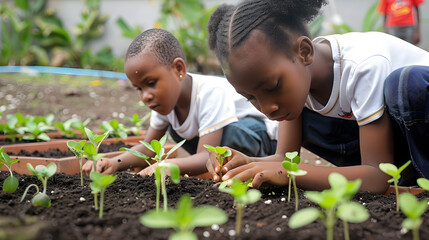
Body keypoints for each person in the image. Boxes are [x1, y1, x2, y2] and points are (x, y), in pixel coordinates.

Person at [206, 0, 429, 194]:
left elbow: (377, 178)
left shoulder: (362, 66)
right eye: (250, 97)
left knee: (403, 83)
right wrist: (246, 164)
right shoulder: (297, 83)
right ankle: (411, 177)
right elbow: (284, 158)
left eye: (273, 86)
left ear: (304, 52)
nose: (266, 108)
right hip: (401, 146)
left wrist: (291, 174)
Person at [82, 28, 278, 177]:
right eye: (139, 88)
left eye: (151, 83)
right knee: (174, 130)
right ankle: (218, 169)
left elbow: (205, 155)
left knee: (229, 134)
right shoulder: (164, 102)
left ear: (178, 69)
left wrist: (168, 166)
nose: (145, 96)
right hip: (218, 145)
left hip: (260, 138)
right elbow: (149, 146)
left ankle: (238, 167)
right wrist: (114, 162)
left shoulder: (210, 93)